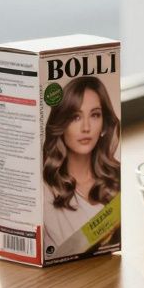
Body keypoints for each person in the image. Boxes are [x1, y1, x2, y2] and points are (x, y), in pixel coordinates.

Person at [42, 75, 121, 258]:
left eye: (95, 115)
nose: (86, 127)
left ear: (103, 124)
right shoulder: (44, 189)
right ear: (62, 123)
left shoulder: (116, 179)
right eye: (75, 117)